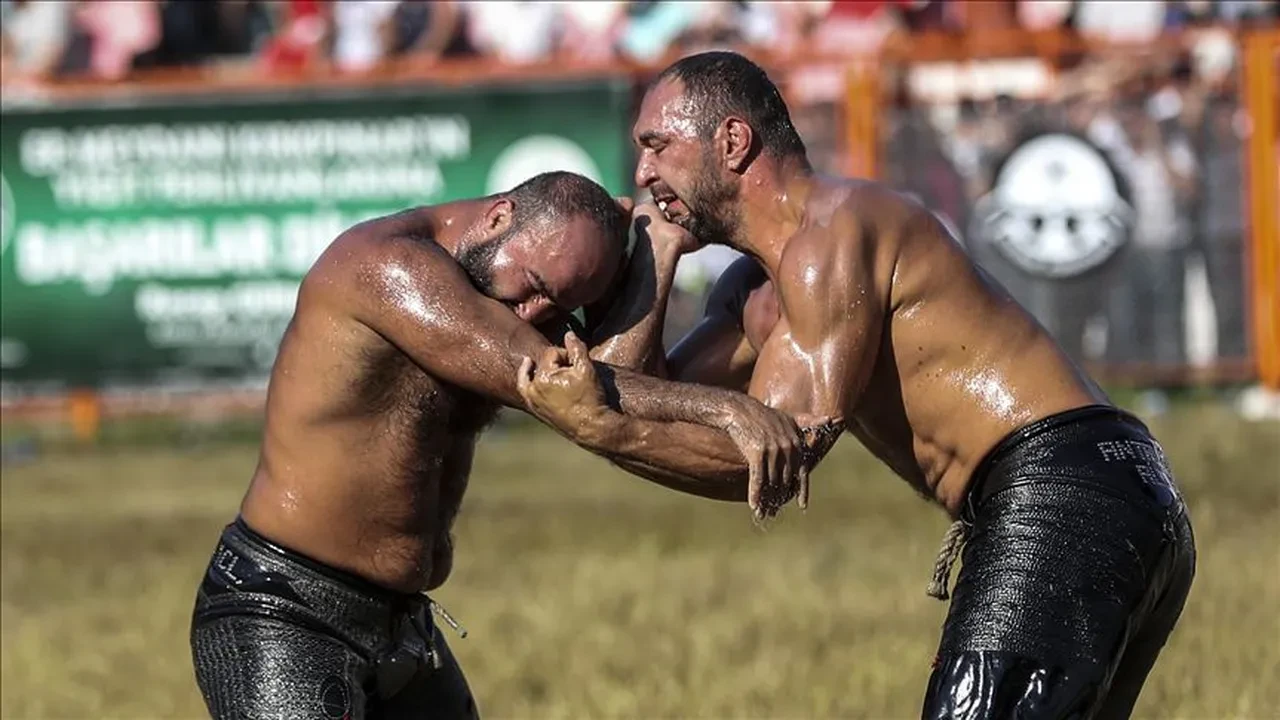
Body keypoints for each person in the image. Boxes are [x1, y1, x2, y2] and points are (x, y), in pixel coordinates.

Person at [516, 53, 1196, 719]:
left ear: (731, 141)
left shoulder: (831, 234)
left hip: (1063, 494)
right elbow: (643, 396)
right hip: (1106, 492)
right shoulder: (754, 290)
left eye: (658, 146)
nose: (641, 172)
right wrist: (657, 252)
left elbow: (776, 452)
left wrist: (601, 428)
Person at [188, 170, 814, 720]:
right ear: (498, 215)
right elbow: (551, 378)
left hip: (401, 620)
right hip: (285, 611)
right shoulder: (387, 268)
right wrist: (729, 409)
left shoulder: (511, 293)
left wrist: (659, 245)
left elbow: (610, 377)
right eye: (536, 283)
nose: (539, 310)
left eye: (563, 304)